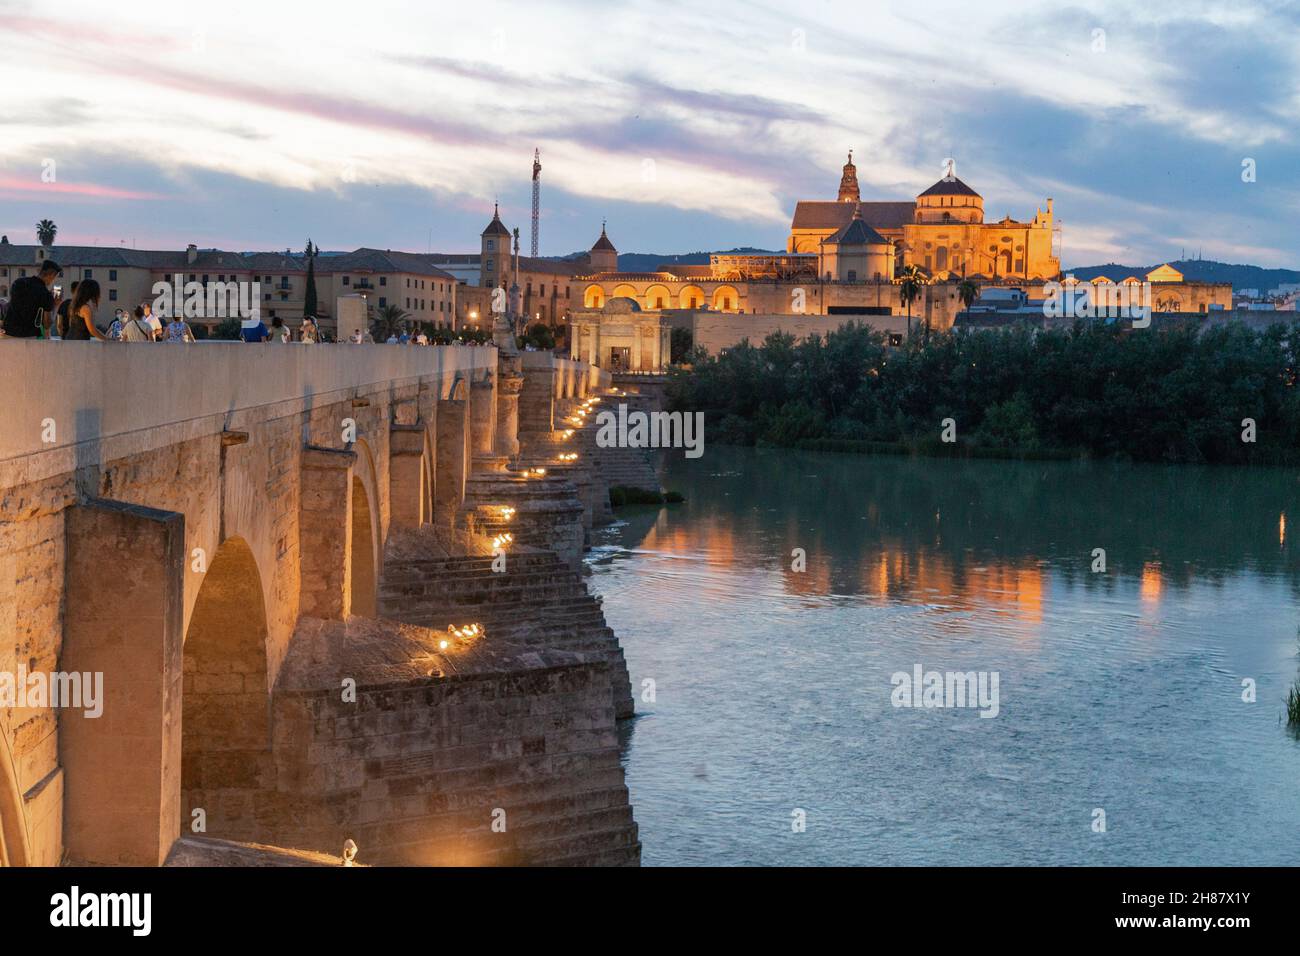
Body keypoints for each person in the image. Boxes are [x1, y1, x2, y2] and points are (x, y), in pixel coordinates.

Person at [2, 259, 61, 338]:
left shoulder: (18, 282)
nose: (53, 280)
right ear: (52, 274)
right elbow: (47, 324)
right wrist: (56, 305)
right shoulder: (45, 293)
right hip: (28, 334)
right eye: (55, 277)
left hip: (7, 331)